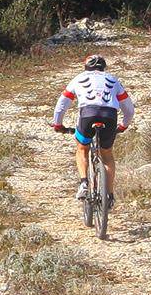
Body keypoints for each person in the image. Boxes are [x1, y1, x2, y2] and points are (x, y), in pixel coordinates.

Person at [51, 54, 134, 209]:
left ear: (86, 67)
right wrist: (123, 125)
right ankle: (109, 195)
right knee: (107, 154)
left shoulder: (78, 78)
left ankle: (84, 183)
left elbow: (62, 104)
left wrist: (58, 124)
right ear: (103, 67)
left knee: (82, 148)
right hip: (109, 116)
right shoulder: (113, 79)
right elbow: (129, 109)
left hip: (87, 114)